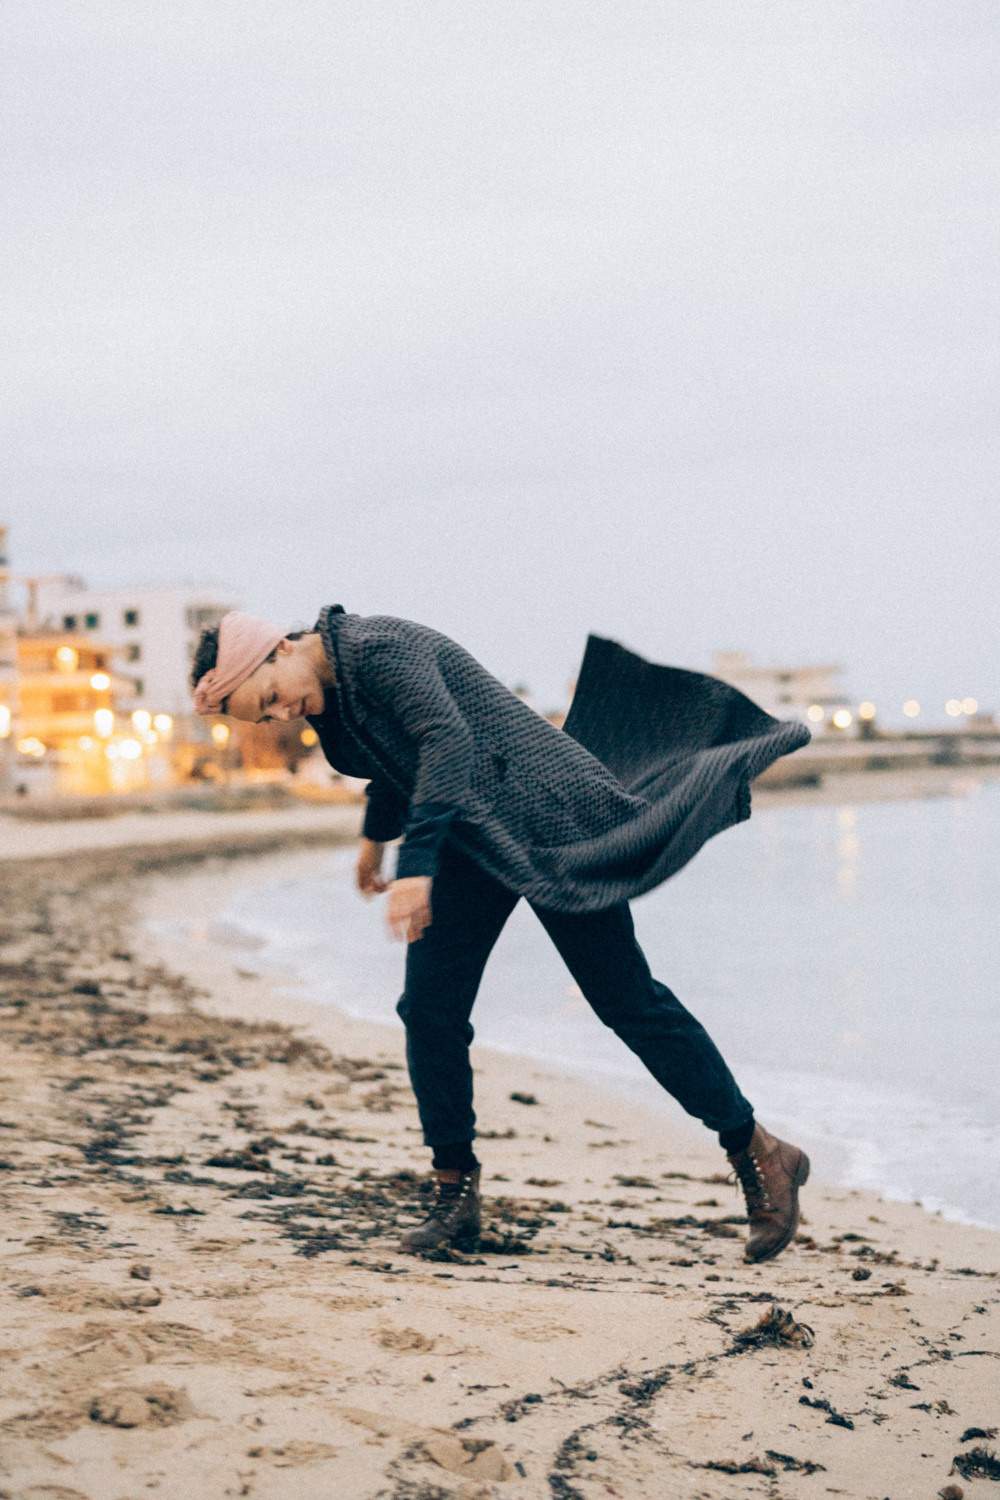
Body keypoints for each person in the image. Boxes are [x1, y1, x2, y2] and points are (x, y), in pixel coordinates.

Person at [192, 607, 812, 1263]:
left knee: (625, 999)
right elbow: (392, 764)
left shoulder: (378, 650)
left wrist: (418, 866)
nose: (278, 716)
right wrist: (377, 841)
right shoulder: (328, 700)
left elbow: (444, 742)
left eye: (268, 699)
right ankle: (455, 1193)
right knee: (430, 1010)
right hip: (468, 837)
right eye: (263, 718)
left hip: (551, 817)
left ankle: (758, 1151)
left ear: (279, 650)